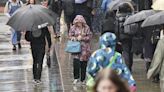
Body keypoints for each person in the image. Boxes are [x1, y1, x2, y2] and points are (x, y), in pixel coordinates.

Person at [69, 15, 92, 85]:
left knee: (83, 64)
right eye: (77, 22)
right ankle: (76, 78)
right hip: (76, 48)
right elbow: (70, 35)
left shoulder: (86, 28)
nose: (79, 23)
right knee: (76, 63)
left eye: (80, 22)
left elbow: (89, 37)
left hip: (85, 49)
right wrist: (74, 38)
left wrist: (82, 38)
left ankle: (83, 79)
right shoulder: (73, 28)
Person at [115, 2, 134, 71]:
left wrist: (117, 38)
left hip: (122, 36)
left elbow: (117, 28)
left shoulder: (118, 17)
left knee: (125, 52)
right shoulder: (132, 16)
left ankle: (127, 67)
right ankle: (130, 66)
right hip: (131, 36)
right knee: (130, 52)